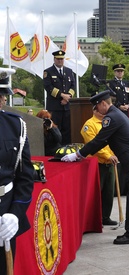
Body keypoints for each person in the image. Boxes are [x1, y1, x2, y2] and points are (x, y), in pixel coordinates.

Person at [61, 90, 129, 245]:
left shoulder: (111, 117)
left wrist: (77, 155)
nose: (96, 110)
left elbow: (100, 140)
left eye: (97, 106)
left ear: (103, 104)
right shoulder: (117, 115)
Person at [0, 67, 34, 275]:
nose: (1, 100)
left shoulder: (15, 127)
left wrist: (15, 214)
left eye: (2, 95)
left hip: (6, 212)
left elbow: (25, 177)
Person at [80, 108, 118, 226]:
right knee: (96, 193)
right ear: (94, 111)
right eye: (100, 111)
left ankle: (105, 217)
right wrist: (108, 155)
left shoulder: (107, 123)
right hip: (97, 163)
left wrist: (115, 154)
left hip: (110, 162)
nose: (103, 113)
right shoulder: (89, 125)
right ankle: (93, 220)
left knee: (109, 192)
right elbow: (93, 145)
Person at [43, 50, 76, 145]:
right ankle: (55, 150)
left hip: (66, 107)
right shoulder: (48, 72)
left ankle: (66, 149)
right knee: (55, 130)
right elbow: (48, 87)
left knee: (67, 130)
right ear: (54, 59)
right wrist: (62, 95)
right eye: (58, 59)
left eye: (62, 59)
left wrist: (68, 97)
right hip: (54, 107)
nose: (60, 61)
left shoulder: (69, 71)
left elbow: (73, 86)